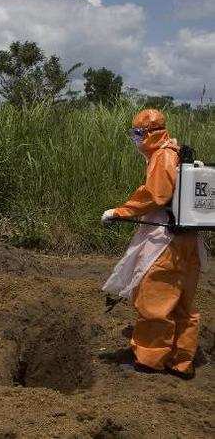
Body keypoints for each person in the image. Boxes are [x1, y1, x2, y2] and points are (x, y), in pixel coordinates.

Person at [101, 109, 205, 379]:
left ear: (150, 133)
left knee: (153, 297)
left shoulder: (162, 156)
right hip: (188, 240)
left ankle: (149, 360)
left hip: (165, 240)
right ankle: (181, 362)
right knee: (183, 302)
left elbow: (155, 194)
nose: (136, 140)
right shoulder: (180, 152)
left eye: (137, 134)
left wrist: (120, 211)